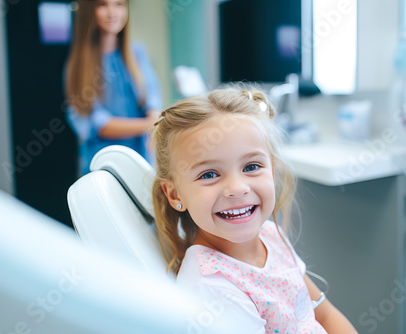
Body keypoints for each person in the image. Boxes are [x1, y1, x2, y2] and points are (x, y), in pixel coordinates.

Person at [151, 87, 357, 333]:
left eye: (251, 166)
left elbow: (325, 313)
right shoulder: (210, 287)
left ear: (271, 170)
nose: (237, 188)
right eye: (209, 174)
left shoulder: (270, 236)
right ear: (175, 194)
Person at [65, 0, 162, 174]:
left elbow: (152, 98)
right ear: (89, 10)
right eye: (102, 5)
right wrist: (150, 125)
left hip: (141, 163)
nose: (112, 13)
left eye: (119, 4)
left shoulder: (138, 53)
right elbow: (98, 125)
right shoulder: (78, 67)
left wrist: (154, 120)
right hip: (102, 169)